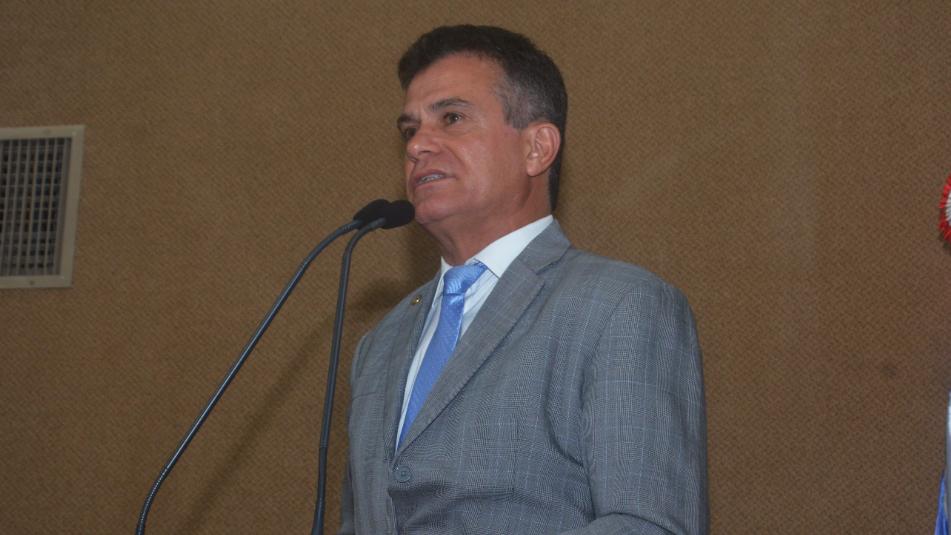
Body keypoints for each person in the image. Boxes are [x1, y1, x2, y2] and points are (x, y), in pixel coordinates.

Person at [340, 25, 708, 534]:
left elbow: (646, 524)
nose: (419, 145)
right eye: (410, 130)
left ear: (537, 148)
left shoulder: (621, 306)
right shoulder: (379, 345)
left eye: (452, 118)